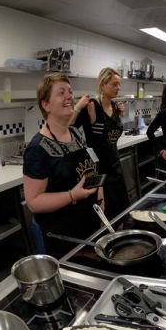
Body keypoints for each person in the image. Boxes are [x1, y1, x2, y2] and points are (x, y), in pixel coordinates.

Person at [23, 73, 100, 258]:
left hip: (89, 226)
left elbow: (91, 167)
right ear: (46, 105)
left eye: (70, 92)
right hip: (63, 237)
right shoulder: (37, 149)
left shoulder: (76, 134)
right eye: (61, 92)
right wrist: (71, 195)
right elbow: (33, 202)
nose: (69, 97)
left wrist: (100, 196)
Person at [71, 67, 129, 219]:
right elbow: (69, 126)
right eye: (114, 84)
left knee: (122, 213)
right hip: (98, 169)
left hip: (115, 165)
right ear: (103, 84)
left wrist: (120, 114)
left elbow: (111, 133)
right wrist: (77, 107)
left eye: (119, 84)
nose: (118, 88)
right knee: (104, 216)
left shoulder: (115, 106)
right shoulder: (92, 106)